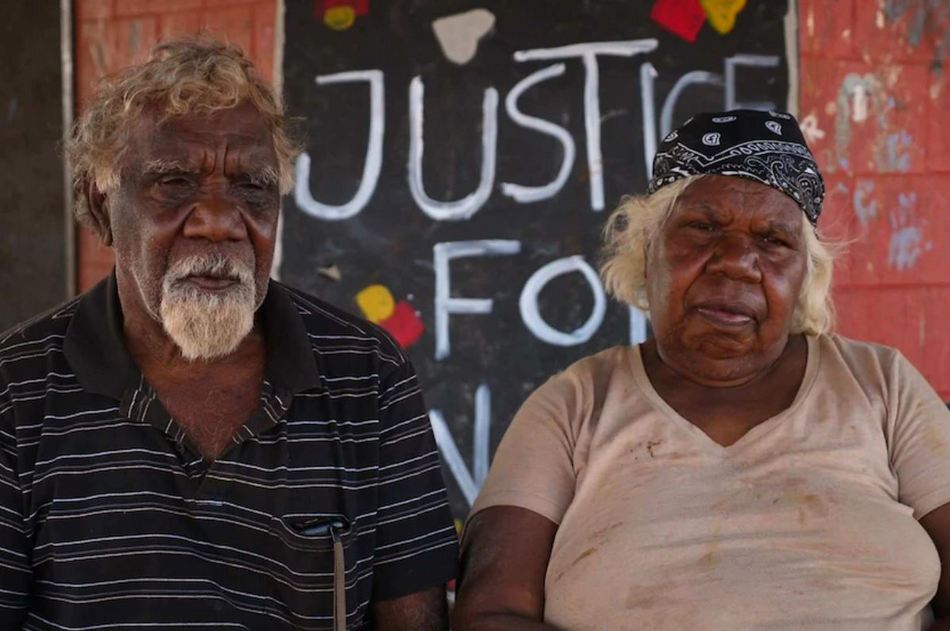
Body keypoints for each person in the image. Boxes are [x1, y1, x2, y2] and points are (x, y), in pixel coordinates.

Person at [0, 38, 457, 630]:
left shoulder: (366, 374)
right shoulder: (17, 389)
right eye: (174, 182)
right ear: (101, 197)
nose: (219, 221)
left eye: (252, 188)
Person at [453, 109, 950, 631]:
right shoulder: (575, 403)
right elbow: (489, 613)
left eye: (773, 240)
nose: (735, 261)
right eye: (702, 227)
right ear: (647, 251)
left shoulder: (881, 383)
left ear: (806, 274)